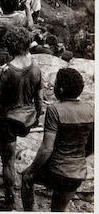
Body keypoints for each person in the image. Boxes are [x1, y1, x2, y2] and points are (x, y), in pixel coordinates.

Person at [0, 27, 43, 210]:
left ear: (10, 46)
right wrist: (38, 114)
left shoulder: (7, 70)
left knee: (9, 161)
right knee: (2, 136)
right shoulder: (35, 66)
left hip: (9, 119)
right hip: (26, 117)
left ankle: (9, 199)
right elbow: (39, 96)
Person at [21, 67, 94, 212]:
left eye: (55, 84)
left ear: (60, 89)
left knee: (26, 178)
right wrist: (76, 159)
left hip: (56, 170)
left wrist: (31, 171)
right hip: (77, 173)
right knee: (58, 209)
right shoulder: (91, 109)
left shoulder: (55, 109)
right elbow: (91, 146)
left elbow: (47, 148)